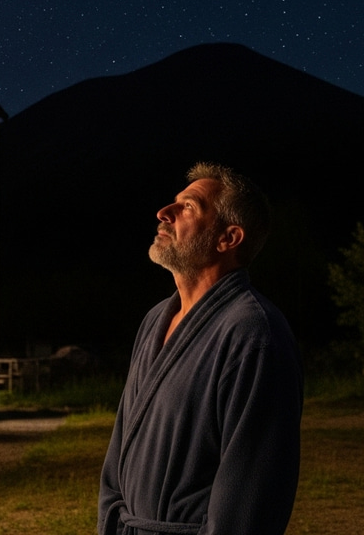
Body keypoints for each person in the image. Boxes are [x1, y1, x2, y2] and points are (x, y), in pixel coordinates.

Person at [98, 162, 303, 535]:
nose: (164, 213)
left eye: (189, 206)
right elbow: (118, 454)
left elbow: (251, 501)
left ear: (228, 238)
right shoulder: (156, 319)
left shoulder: (253, 334)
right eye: (173, 204)